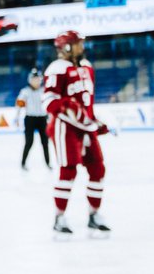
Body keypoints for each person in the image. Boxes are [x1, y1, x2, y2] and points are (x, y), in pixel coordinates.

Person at [44, 30, 110, 236]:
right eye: (78, 43)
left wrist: (92, 119)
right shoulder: (57, 68)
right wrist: (67, 107)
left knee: (97, 169)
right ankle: (59, 216)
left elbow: (86, 101)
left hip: (86, 128)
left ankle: (94, 214)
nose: (82, 47)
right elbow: (49, 101)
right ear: (66, 46)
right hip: (65, 128)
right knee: (68, 171)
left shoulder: (87, 67)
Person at [14, 68, 50, 171]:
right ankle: (23, 163)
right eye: (34, 79)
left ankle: (48, 163)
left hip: (42, 119)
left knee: (45, 142)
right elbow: (19, 105)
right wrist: (17, 117)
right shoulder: (25, 92)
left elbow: (49, 105)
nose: (36, 81)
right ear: (30, 80)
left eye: (38, 79)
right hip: (30, 119)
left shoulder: (44, 91)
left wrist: (51, 117)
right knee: (29, 142)